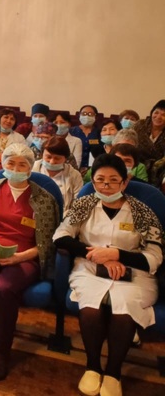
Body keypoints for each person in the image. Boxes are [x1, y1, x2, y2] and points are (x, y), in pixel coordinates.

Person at [53, 154, 163, 396]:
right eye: (100, 179)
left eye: (113, 180)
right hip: (90, 268)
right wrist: (98, 255)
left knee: (124, 309)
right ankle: (93, 366)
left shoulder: (141, 211)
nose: (106, 185)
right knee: (90, 308)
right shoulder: (84, 205)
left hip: (134, 273)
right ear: (92, 181)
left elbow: (155, 255)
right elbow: (60, 237)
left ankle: (114, 372)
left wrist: (117, 255)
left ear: (125, 182)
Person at [0, 143, 59, 381]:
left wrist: (20, 257)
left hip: (25, 256)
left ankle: (0, 354)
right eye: (11, 163)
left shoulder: (44, 199)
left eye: (22, 165)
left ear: (30, 167)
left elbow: (48, 242)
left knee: (5, 288)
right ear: (3, 163)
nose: (15, 169)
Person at [31, 136, 82, 214]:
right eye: (48, 157)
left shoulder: (74, 175)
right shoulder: (31, 170)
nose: (52, 162)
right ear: (42, 154)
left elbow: (78, 204)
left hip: (63, 216)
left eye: (57, 158)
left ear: (65, 159)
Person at [83, 143, 149, 184]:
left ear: (135, 164)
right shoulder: (95, 185)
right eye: (118, 159)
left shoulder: (144, 188)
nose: (122, 163)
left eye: (127, 161)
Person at [133, 99, 165, 166]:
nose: (158, 117)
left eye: (163, 115)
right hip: (136, 164)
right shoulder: (140, 125)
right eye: (156, 113)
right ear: (151, 113)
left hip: (159, 168)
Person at [71, 104, 101, 170]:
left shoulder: (99, 132)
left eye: (90, 114)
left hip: (93, 167)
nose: (86, 116)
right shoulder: (72, 131)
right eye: (84, 114)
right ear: (79, 115)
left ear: (95, 116)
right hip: (74, 167)